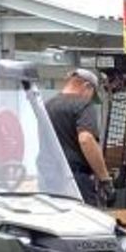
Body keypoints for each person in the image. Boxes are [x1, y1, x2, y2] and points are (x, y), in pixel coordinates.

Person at [46, 68, 112, 203]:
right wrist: (104, 178)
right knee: (86, 220)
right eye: (92, 94)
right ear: (87, 86)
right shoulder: (83, 105)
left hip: (48, 180)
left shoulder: (47, 105)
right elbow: (86, 139)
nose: (91, 99)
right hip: (75, 180)